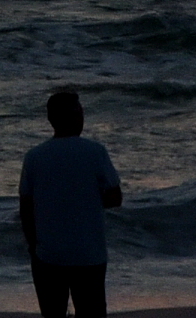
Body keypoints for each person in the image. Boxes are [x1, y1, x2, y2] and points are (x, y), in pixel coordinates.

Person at [17, 88, 122, 318]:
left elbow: (25, 208)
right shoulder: (95, 152)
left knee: (52, 313)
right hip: (89, 253)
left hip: (49, 253)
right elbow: (115, 198)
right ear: (77, 116)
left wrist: (33, 245)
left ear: (51, 119)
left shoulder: (35, 157)